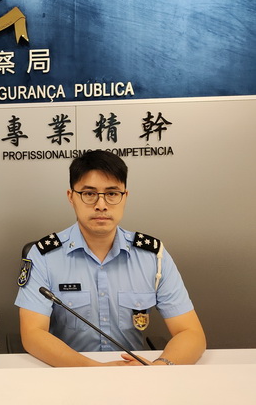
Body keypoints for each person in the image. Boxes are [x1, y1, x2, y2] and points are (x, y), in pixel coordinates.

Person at [15, 150, 205, 367]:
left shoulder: (152, 256)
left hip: (135, 376)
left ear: (125, 196)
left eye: (112, 193)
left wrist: (158, 368)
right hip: (70, 373)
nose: (101, 205)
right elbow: (33, 333)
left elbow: (190, 332)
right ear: (71, 197)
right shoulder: (44, 255)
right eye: (89, 194)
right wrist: (96, 370)